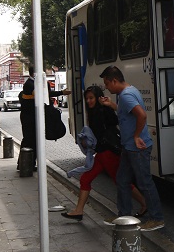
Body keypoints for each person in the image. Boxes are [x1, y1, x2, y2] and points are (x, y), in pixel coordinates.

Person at [62, 85, 147, 221]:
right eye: (87, 99)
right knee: (86, 179)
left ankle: (144, 204)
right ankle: (78, 211)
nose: (89, 101)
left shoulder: (103, 111)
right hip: (102, 154)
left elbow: (118, 119)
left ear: (97, 97)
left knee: (121, 182)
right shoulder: (94, 112)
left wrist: (109, 105)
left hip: (109, 153)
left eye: (91, 98)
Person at [99, 65, 165, 232]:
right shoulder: (127, 92)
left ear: (114, 80)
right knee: (122, 180)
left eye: (107, 83)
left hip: (137, 147)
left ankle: (157, 219)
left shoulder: (127, 96)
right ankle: (124, 216)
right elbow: (125, 112)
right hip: (129, 147)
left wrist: (136, 136)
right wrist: (111, 105)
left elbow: (141, 115)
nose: (106, 87)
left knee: (144, 182)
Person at [19, 66, 71, 169]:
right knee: (29, 140)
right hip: (28, 118)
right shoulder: (29, 85)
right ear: (34, 74)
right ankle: (24, 164)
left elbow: (46, 94)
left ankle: (29, 164)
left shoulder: (38, 83)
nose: (44, 74)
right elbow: (41, 95)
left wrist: (60, 92)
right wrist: (60, 92)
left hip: (35, 117)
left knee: (34, 141)